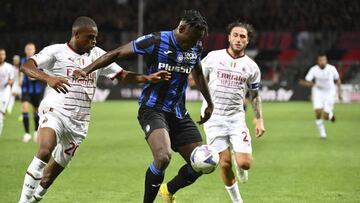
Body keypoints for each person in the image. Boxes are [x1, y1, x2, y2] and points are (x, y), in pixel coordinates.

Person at [18, 16, 170, 203]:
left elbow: (121, 75)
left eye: (95, 37)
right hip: (55, 111)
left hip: (79, 124)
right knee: (44, 151)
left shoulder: (98, 55)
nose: (94, 41)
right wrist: (48, 78)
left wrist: (148, 78)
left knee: (48, 178)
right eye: (89, 37)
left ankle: (33, 199)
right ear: (76, 34)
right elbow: (26, 66)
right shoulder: (56, 51)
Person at [73, 10, 214, 203]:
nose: (191, 45)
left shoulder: (195, 45)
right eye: (189, 40)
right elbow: (116, 53)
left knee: (204, 163)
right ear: (181, 28)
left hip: (179, 113)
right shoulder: (156, 41)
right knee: (163, 157)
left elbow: (197, 72)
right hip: (152, 108)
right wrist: (86, 69)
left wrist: (209, 102)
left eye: (195, 42)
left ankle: (168, 190)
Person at [201, 21, 265, 203]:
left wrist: (259, 119)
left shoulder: (252, 67)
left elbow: (254, 95)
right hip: (213, 119)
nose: (238, 39)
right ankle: (238, 201)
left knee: (245, 163)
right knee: (225, 162)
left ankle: (242, 167)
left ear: (247, 41)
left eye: (242, 36)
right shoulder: (213, 57)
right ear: (228, 37)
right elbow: (197, 76)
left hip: (236, 118)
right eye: (235, 35)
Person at [299, 53, 342, 139]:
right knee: (318, 112)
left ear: (326, 60)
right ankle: (323, 133)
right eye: (321, 60)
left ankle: (330, 115)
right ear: (318, 61)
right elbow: (308, 80)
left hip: (330, 92)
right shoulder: (313, 69)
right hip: (318, 92)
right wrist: (308, 84)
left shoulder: (331, 69)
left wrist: (340, 93)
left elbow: (337, 80)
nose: (322, 61)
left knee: (325, 116)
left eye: (324, 60)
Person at [20, 42, 45, 143]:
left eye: (32, 49)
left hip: (37, 90)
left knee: (35, 111)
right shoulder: (22, 61)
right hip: (25, 89)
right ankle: (26, 133)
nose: (30, 51)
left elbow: (43, 73)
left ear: (34, 50)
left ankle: (35, 131)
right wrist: (20, 79)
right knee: (25, 108)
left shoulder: (39, 61)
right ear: (25, 50)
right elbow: (19, 72)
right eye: (28, 49)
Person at [0, 48, 14, 137]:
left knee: (1, 114)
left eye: (2, 54)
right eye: (0, 54)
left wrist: (8, 82)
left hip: (5, 92)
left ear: (5, 56)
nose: (1, 56)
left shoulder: (9, 67)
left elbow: (11, 80)